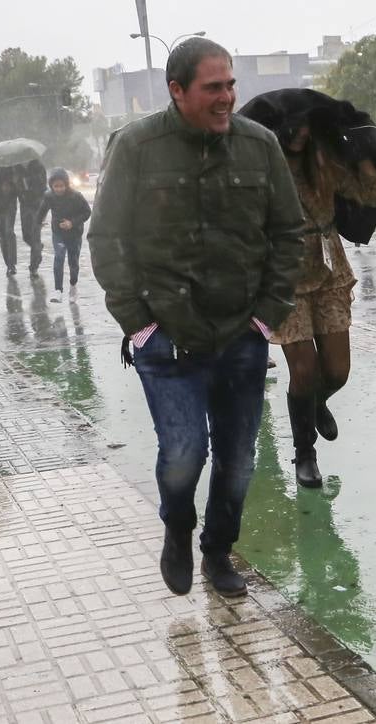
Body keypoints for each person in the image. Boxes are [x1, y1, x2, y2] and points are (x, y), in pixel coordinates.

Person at [88, 37, 305, 598]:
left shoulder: (260, 147)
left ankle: (217, 550)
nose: (227, 97)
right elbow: (107, 238)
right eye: (213, 87)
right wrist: (139, 324)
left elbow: (289, 233)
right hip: (167, 339)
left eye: (231, 84)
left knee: (238, 460)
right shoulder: (137, 147)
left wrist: (266, 319)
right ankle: (178, 528)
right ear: (177, 90)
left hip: (242, 335)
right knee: (184, 455)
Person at [263, 113, 376, 489]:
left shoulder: (325, 162)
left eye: (308, 126)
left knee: (336, 372)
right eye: (294, 127)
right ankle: (305, 453)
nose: (301, 133)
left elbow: (372, 194)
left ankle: (316, 402)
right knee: (303, 372)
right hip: (285, 275)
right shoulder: (265, 164)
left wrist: (365, 157)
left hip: (330, 268)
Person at [35, 168, 91, 302]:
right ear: (51, 186)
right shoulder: (49, 196)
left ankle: (73, 286)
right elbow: (42, 210)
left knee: (73, 261)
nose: (59, 189)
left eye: (61, 186)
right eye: (56, 186)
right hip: (58, 233)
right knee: (59, 257)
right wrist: (39, 222)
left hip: (74, 234)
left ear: (66, 185)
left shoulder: (76, 196)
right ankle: (58, 290)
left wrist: (72, 223)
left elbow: (87, 212)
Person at [17, 158, 48, 277]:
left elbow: (42, 185)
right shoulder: (17, 167)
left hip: (37, 204)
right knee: (26, 236)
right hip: (24, 204)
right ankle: (38, 248)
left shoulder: (38, 166)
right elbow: (17, 186)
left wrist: (29, 181)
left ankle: (33, 266)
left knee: (35, 235)